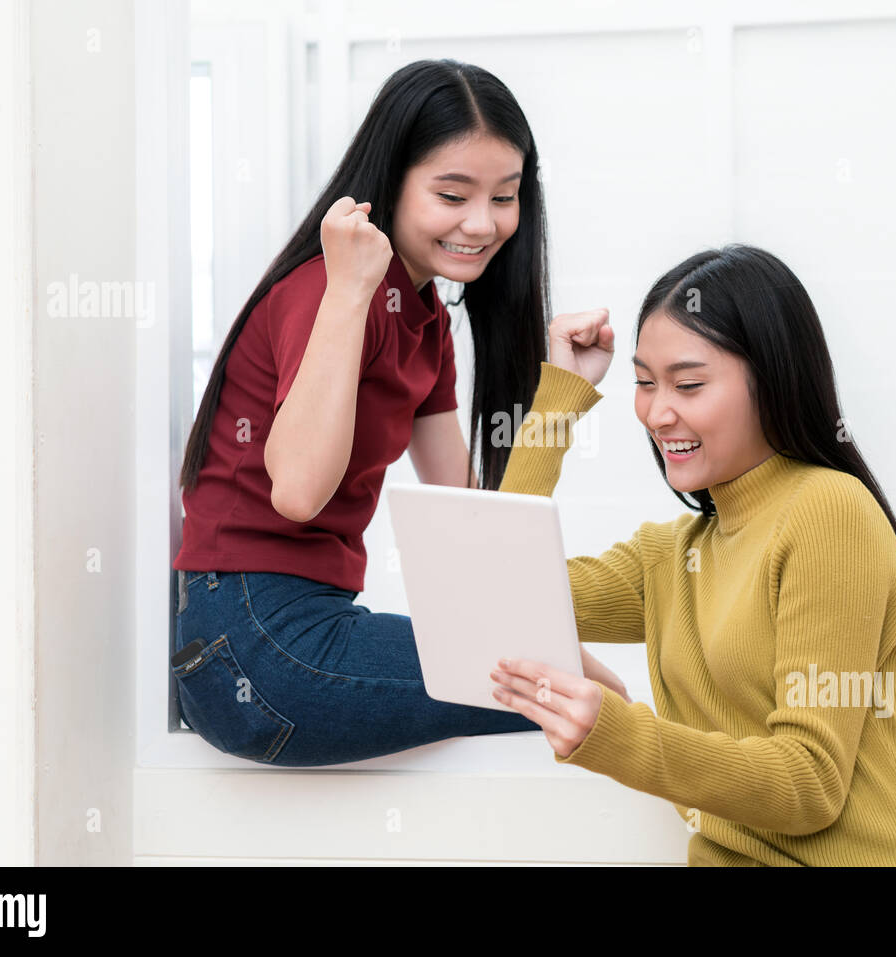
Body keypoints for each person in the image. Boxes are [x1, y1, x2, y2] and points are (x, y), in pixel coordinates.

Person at [171, 58, 628, 767]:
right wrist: (349, 290)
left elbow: (472, 533)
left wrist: (563, 397)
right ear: (391, 182)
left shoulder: (424, 322)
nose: (483, 222)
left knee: (596, 697)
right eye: (452, 193)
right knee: (583, 701)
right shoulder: (328, 290)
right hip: (250, 643)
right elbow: (295, 491)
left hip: (301, 629)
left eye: (504, 196)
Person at [490, 244, 896, 866]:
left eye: (688, 384)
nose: (657, 413)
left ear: (771, 381)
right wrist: (561, 396)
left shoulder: (829, 511)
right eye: (643, 382)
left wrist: (617, 734)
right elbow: (496, 588)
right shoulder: (669, 558)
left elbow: (808, 785)